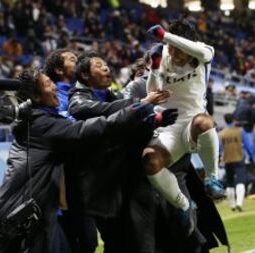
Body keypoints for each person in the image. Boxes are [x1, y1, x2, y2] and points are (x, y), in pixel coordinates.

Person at [0, 68, 167, 253]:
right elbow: (96, 128)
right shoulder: (40, 124)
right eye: (48, 84)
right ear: (36, 97)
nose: (55, 87)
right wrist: (141, 105)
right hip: (20, 216)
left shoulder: (42, 119)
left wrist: (153, 121)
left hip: (37, 213)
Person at [69, 50, 178, 252]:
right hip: (102, 187)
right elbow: (101, 114)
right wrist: (142, 103)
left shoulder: (113, 96)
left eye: (106, 64)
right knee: (116, 243)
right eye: (99, 65)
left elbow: (127, 123)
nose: (106, 68)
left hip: (124, 180)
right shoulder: (77, 99)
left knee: (136, 241)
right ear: (84, 75)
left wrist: (156, 120)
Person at [143, 20, 224, 234]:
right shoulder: (161, 54)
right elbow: (154, 94)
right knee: (150, 161)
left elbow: (202, 53)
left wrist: (164, 35)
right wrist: (154, 67)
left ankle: (212, 177)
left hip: (193, 123)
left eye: (179, 49)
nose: (174, 53)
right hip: (169, 128)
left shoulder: (204, 51)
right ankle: (184, 205)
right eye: (171, 48)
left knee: (205, 122)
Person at [44, 49, 98, 253]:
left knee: (89, 238)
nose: (79, 61)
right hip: (68, 174)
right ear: (58, 69)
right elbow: (64, 125)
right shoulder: (54, 93)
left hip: (87, 171)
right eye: (73, 60)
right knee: (80, 237)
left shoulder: (85, 91)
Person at [219, 113, 254, 211]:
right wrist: (251, 156)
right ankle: (239, 203)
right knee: (240, 181)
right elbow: (248, 145)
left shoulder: (221, 134)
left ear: (225, 121)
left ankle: (232, 205)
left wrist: (219, 159)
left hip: (227, 160)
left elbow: (218, 149)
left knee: (229, 182)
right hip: (239, 158)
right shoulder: (240, 131)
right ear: (234, 120)